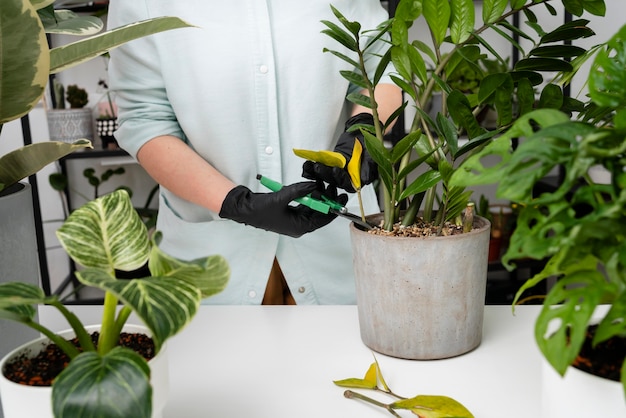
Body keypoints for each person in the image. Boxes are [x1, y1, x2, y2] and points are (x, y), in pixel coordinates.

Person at [107, 1, 401, 305]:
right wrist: (236, 203)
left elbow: (383, 67)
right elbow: (144, 120)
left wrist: (366, 128)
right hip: (212, 259)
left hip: (337, 245)